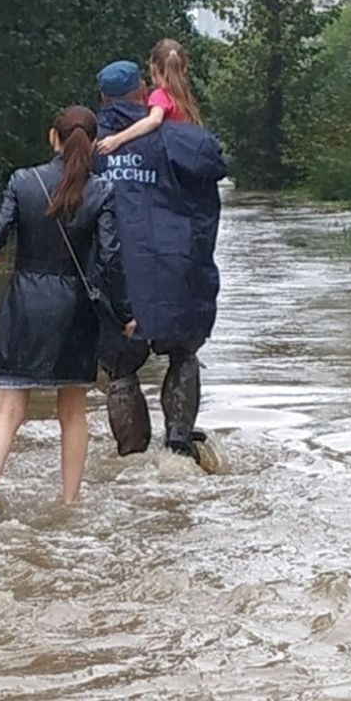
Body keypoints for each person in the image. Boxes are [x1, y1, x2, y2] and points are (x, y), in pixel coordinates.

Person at [0, 106, 135, 519]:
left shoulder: (23, 181)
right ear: (92, 143)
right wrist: (125, 311)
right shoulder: (102, 191)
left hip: (25, 306)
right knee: (71, 413)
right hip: (74, 311)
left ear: (53, 137)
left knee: (8, 410)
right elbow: (111, 260)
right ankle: (69, 503)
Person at [91, 59, 228, 467]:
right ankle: (179, 447)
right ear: (142, 93)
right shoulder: (179, 137)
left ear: (102, 98)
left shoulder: (86, 144)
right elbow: (215, 162)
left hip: (115, 279)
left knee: (119, 370)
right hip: (176, 273)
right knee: (183, 353)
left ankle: (132, 461)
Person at [95, 39, 202, 157]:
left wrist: (117, 139)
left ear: (153, 68)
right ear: (184, 68)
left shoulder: (159, 95)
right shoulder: (183, 97)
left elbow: (154, 120)